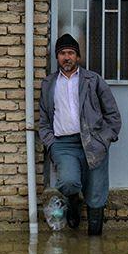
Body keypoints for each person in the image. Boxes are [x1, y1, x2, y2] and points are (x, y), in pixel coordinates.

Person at [39, 33, 122, 235]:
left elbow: (113, 115)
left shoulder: (93, 80)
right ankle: (73, 202)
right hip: (63, 144)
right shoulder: (49, 84)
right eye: (62, 54)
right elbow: (43, 120)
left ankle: (95, 242)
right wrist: (50, 142)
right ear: (57, 57)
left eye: (71, 53)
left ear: (78, 57)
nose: (66, 57)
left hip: (94, 142)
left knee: (96, 192)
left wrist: (105, 140)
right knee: (68, 181)